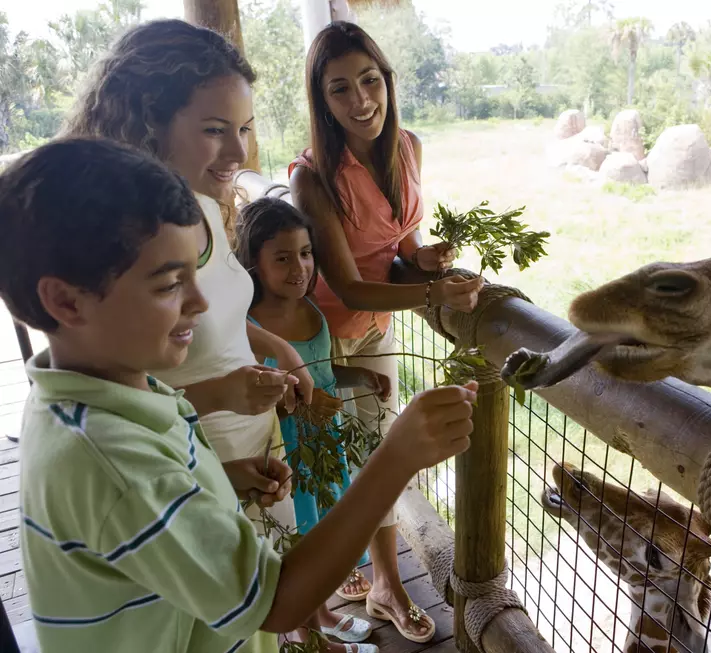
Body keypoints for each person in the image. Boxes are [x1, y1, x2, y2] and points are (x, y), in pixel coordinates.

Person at [2, 137, 477, 653]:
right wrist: (397, 457)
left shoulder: (98, 398)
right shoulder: (113, 464)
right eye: (168, 284)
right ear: (67, 301)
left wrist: (220, 480)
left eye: (195, 275)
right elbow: (275, 603)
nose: (201, 303)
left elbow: (149, 499)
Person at [60, 18, 314, 532]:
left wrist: (277, 348)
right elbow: (109, 412)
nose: (240, 153)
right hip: (190, 466)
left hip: (252, 446)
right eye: (215, 130)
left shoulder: (201, 204)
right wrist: (221, 394)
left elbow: (212, 315)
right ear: (148, 123)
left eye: (243, 128)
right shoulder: (119, 247)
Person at [289, 21, 481, 643]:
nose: (361, 100)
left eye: (369, 81)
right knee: (334, 459)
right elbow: (345, 286)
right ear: (323, 101)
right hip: (324, 334)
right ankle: (340, 595)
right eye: (340, 90)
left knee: (377, 449)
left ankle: (378, 583)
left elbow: (399, 247)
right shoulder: (311, 176)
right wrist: (429, 293)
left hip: (380, 323)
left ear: (387, 81)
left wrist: (422, 262)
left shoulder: (409, 147)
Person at [238, 197, 388, 648]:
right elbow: (261, 395)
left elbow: (320, 372)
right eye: (281, 258)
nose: (298, 267)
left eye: (305, 253)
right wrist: (301, 404)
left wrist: (360, 374)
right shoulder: (247, 325)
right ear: (253, 263)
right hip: (286, 451)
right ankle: (306, 635)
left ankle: (321, 613)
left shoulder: (311, 311)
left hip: (325, 446)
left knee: (322, 529)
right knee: (299, 536)